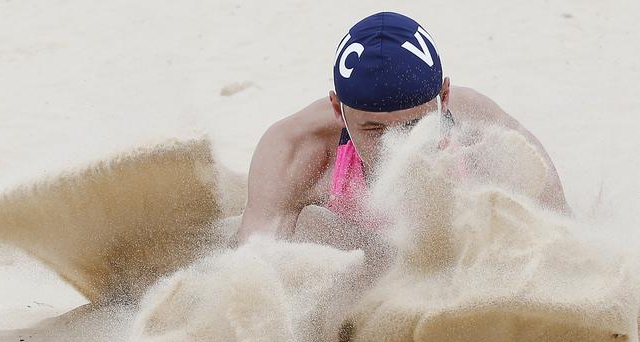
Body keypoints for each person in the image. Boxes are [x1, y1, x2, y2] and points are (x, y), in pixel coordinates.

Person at [237, 11, 569, 243]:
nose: (395, 146)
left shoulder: (485, 134)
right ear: (338, 109)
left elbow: (563, 233)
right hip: (354, 264)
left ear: (445, 97)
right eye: (374, 130)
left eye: (414, 125)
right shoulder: (295, 150)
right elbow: (253, 276)